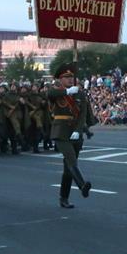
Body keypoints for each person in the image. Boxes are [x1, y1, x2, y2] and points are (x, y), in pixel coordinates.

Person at [47, 63, 93, 209]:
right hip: (60, 131)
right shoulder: (56, 91)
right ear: (60, 79)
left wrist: (79, 130)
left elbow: (83, 114)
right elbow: (50, 94)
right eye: (66, 77)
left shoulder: (79, 93)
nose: (69, 80)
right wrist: (67, 92)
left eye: (71, 77)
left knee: (68, 169)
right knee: (71, 159)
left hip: (75, 131)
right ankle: (82, 185)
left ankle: (63, 198)